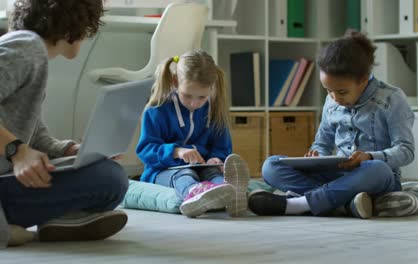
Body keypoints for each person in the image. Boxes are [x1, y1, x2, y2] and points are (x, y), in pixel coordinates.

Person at [0, 0, 129, 247]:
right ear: (73, 29)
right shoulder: (28, 48)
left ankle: (59, 221)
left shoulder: (27, 51)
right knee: (109, 179)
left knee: (106, 172)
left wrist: (67, 150)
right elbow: (20, 143)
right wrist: (16, 150)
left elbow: (33, 131)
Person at [248, 30, 415, 219]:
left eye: (342, 92)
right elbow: (322, 142)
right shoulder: (332, 101)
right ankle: (344, 204)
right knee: (271, 166)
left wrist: (369, 157)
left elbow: (406, 151)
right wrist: (315, 154)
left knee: (379, 170)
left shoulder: (392, 99)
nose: (335, 98)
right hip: (336, 175)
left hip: (372, 178)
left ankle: (299, 204)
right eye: (328, 91)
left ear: (364, 78)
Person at [136, 50, 250, 218]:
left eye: (202, 97)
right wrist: (176, 151)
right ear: (175, 82)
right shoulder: (156, 110)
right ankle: (194, 193)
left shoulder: (215, 110)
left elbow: (222, 146)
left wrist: (217, 159)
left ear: (212, 88)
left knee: (213, 173)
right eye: (187, 95)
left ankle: (228, 192)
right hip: (162, 171)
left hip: (202, 169)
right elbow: (145, 149)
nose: (194, 103)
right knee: (184, 174)